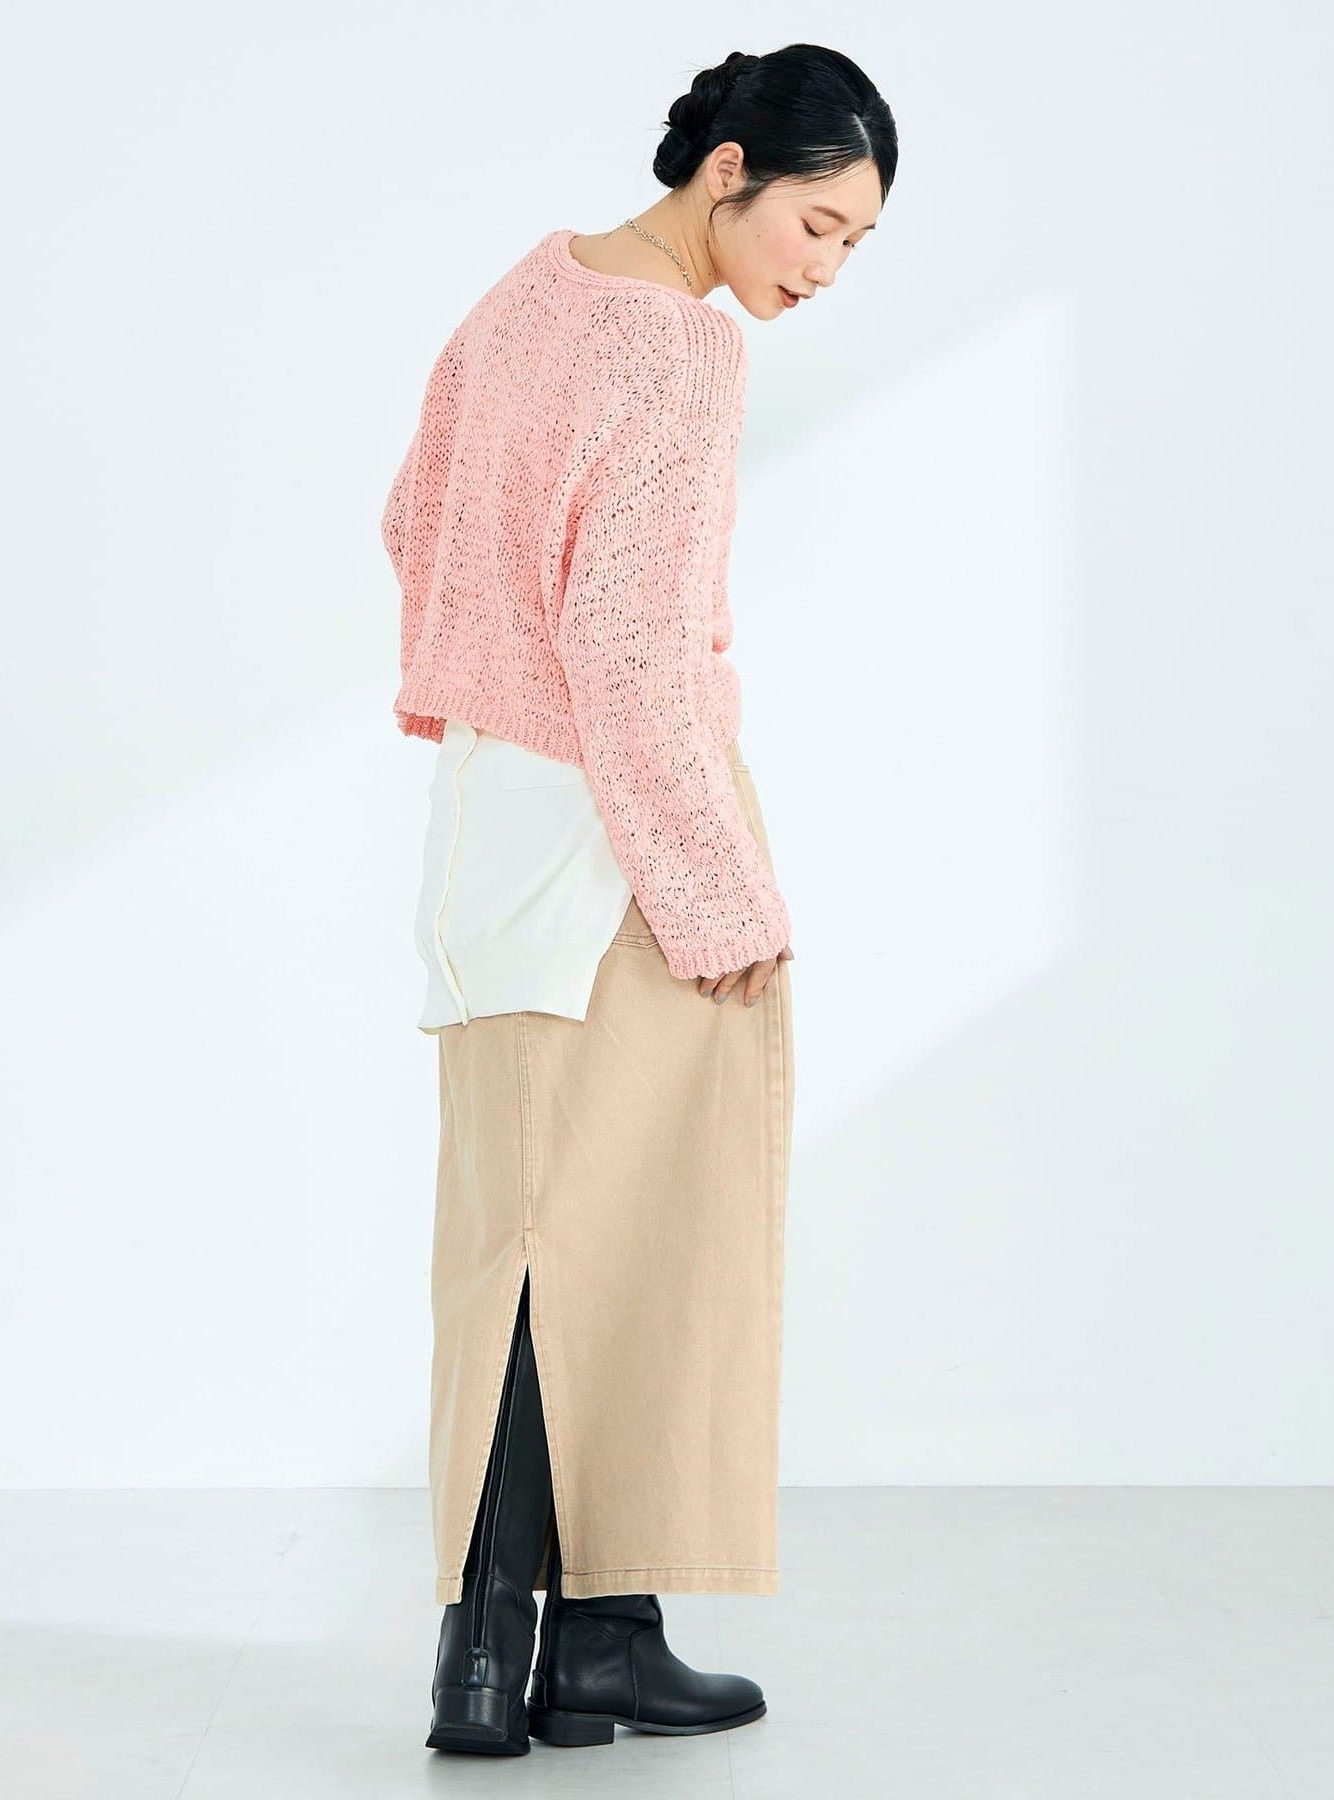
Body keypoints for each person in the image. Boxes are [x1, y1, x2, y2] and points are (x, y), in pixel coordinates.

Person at [380, 42, 897, 1756]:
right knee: (644, 1234)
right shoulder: (680, 348)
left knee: (516, 1235)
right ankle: (545, 1643)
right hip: (626, 817)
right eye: (816, 225)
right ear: (727, 169)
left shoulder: (526, 295)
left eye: (854, 246)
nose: (824, 269)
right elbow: (625, 649)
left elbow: (412, 518)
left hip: (489, 815)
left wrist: (485, 678)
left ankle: (549, 1650)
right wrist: (718, 888)